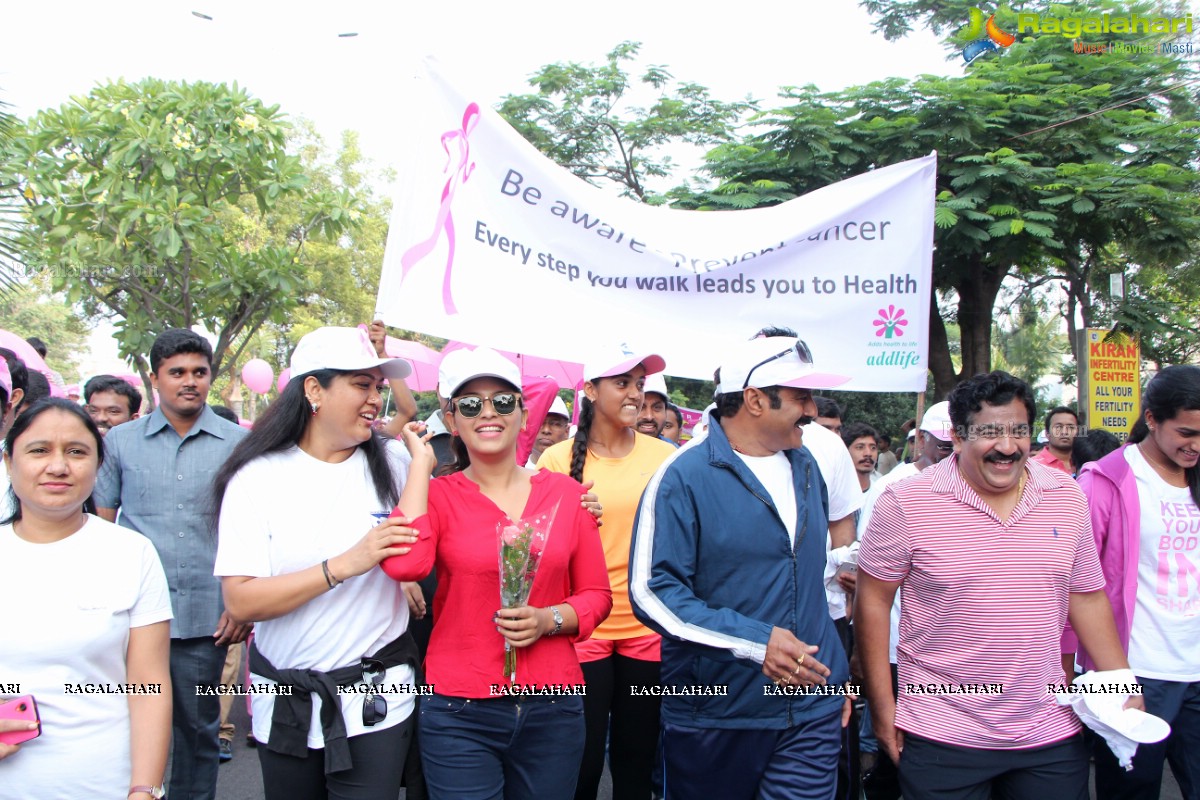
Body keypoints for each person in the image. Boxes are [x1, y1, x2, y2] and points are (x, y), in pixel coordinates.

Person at [856, 371, 1140, 800]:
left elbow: (1085, 595)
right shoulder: (905, 502)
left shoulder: (1066, 495)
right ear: (956, 434)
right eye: (990, 432)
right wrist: (882, 709)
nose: (1007, 447)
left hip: (1049, 724)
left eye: (1019, 432)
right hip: (940, 726)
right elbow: (873, 602)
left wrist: (1121, 683)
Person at [381, 345, 612, 800]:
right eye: (470, 405)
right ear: (452, 422)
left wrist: (550, 620)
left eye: (503, 401)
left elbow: (596, 596)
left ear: (524, 415)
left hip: (552, 704)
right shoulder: (438, 496)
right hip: (459, 707)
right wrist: (420, 468)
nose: (488, 413)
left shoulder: (568, 495)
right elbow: (406, 564)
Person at [630, 334, 852, 799]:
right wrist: (755, 643)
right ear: (753, 399)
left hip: (810, 710)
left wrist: (836, 676)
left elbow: (806, 583)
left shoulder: (807, 464)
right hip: (715, 713)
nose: (812, 409)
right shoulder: (682, 476)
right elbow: (653, 593)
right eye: (799, 397)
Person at [213, 326, 423, 799]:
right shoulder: (256, 477)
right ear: (313, 389)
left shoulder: (395, 462)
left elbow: (445, 522)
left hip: (376, 700)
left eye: (378, 387)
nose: (375, 399)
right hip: (285, 702)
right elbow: (241, 600)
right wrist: (345, 565)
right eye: (360, 384)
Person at [94, 328, 251, 800]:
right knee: (126, 726)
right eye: (177, 372)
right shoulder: (119, 443)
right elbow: (103, 527)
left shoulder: (236, 443)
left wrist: (240, 605)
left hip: (208, 619)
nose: (190, 381)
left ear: (210, 377)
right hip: (133, 617)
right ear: (154, 378)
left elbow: (249, 531)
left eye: (199, 372)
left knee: (198, 731)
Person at [0, 398, 172, 798]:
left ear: (97, 465)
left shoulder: (132, 552)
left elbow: (147, 685)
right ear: (9, 461)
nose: (58, 466)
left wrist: (145, 788)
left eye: (76, 452)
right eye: (39, 450)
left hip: (103, 781)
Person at [536, 346, 676, 800]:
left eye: (639, 384)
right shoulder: (556, 460)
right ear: (590, 390)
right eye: (622, 383)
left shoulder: (666, 456)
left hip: (648, 632)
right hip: (582, 632)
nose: (635, 394)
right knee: (582, 762)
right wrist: (570, 520)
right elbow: (532, 547)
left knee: (636, 765)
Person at [1074, 365, 1200, 800]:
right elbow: (1078, 583)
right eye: (1186, 432)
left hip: (1196, 666)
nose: (1196, 445)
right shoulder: (1107, 479)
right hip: (1132, 670)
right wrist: (1108, 675)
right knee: (1130, 790)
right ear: (1151, 419)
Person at [855, 401, 954, 800]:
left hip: (951, 647)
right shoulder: (890, 490)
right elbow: (867, 572)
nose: (950, 452)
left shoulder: (971, 486)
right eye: (943, 445)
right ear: (922, 441)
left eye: (956, 443)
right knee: (898, 742)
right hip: (898, 643)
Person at [528, 395, 570, 466]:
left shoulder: (575, 471)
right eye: (539, 423)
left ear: (566, 432)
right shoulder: (513, 469)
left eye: (555, 424)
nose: (546, 430)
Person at [1034, 406, 1078, 474]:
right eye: (1058, 427)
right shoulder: (1034, 466)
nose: (1064, 432)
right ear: (1047, 434)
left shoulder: (1085, 463)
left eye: (1071, 427)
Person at [636, 372, 675, 446]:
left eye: (657, 407)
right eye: (640, 407)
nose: (649, 416)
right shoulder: (609, 454)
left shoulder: (675, 455)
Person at [842, 421, 880, 493]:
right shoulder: (833, 492)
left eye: (873, 448)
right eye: (860, 447)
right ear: (846, 450)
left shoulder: (882, 494)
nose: (868, 453)